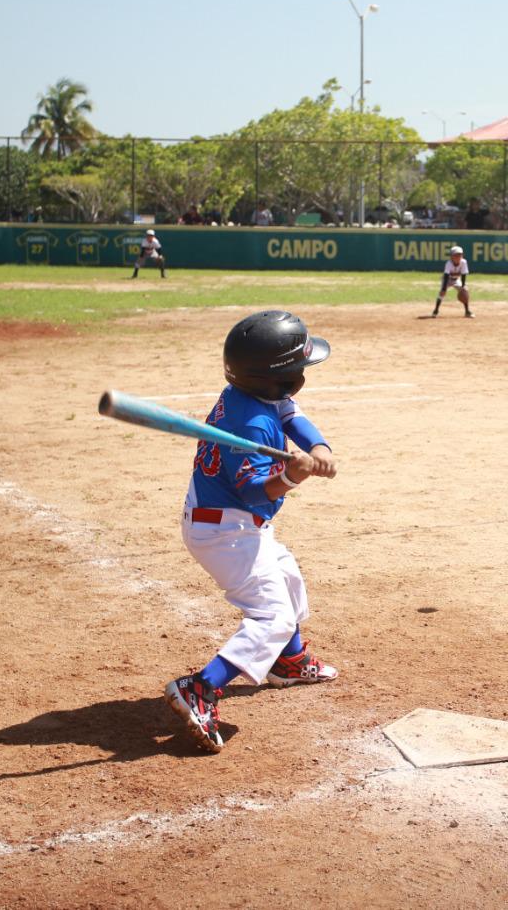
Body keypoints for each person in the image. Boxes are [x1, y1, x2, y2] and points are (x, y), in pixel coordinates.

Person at [163, 310, 339, 753]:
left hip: (235, 522)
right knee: (273, 615)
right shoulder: (250, 424)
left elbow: (292, 415)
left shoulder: (254, 394)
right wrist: (294, 476)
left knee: (289, 578)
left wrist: (316, 448)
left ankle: (289, 661)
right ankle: (201, 687)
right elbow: (257, 493)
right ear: (280, 375)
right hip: (225, 531)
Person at [431, 244, 472, 318]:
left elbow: (463, 275)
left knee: (465, 291)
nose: (458, 257)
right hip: (447, 280)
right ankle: (436, 310)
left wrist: (463, 287)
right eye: (456, 255)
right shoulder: (448, 263)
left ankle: (467, 311)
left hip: (456, 280)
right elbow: (446, 276)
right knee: (442, 293)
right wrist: (444, 289)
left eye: (460, 255)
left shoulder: (463, 262)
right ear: (451, 257)